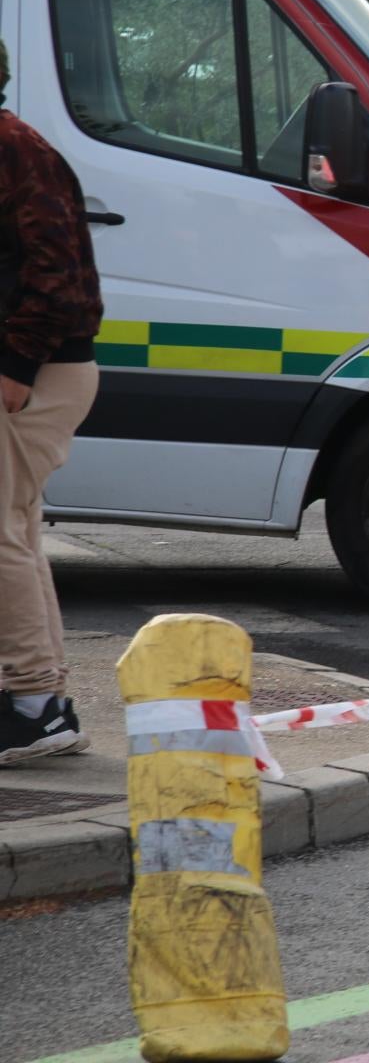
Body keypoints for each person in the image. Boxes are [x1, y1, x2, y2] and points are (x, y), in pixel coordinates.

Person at [0, 38, 104, 765]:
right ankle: (44, 700)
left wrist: (14, 363)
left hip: (34, 373)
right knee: (17, 531)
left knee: (0, 536)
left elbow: (54, 268)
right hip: (38, 368)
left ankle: (33, 703)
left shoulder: (12, 149)